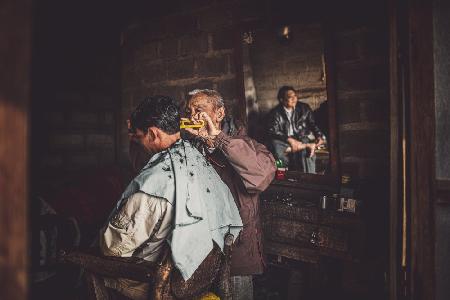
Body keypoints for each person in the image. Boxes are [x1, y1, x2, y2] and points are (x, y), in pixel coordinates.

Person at [100, 95, 243, 300]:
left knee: (96, 265)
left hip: (160, 285)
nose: (139, 143)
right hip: (199, 280)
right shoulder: (202, 164)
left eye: (139, 137)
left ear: (152, 133)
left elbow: (112, 249)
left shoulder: (154, 186)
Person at [184, 89, 276, 300]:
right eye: (189, 111)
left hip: (236, 252)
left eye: (199, 110)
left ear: (219, 113)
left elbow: (260, 176)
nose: (193, 117)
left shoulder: (248, 144)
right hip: (200, 252)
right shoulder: (191, 147)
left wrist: (218, 138)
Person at [267, 85, 326, 173]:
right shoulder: (275, 113)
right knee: (276, 150)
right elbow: (272, 131)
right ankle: (281, 174)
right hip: (284, 140)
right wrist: (289, 139)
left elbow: (312, 124)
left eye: (295, 96)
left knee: (307, 153)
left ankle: (310, 178)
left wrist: (319, 135)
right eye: (290, 97)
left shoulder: (304, 108)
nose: (294, 99)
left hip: (301, 137)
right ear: (281, 100)